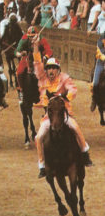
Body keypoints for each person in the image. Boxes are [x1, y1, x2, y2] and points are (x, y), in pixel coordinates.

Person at [32, 37, 93, 178]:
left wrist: (66, 97)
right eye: (48, 68)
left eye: (53, 68)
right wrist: (35, 46)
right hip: (49, 116)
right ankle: (42, 165)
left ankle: (85, 153)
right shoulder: (42, 77)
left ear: (58, 70)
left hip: (65, 114)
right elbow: (37, 61)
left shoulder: (65, 78)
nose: (51, 71)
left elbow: (73, 89)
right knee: (39, 136)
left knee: (76, 128)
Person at [14, 26, 52, 103]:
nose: (31, 38)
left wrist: (45, 57)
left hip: (40, 58)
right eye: (30, 37)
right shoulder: (24, 38)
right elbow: (17, 49)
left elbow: (49, 50)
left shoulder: (42, 39)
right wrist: (19, 54)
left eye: (33, 36)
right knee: (19, 71)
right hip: (28, 57)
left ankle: (50, 91)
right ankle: (21, 90)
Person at [91, 33, 105, 111]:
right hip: (101, 63)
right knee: (95, 83)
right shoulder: (102, 37)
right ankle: (94, 99)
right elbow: (100, 51)